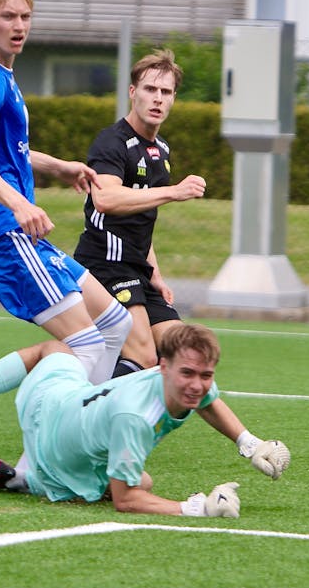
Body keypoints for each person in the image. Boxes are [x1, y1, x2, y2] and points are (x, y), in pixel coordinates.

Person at [0, 323, 291, 517]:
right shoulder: (135, 417)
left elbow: (209, 402)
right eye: (188, 374)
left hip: (62, 403)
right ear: (163, 366)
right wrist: (197, 508)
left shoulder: (181, 382)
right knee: (138, 485)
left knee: (52, 349)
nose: (197, 385)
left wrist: (249, 443)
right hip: (50, 423)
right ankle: (31, 477)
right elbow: (126, 501)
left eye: (206, 375)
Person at [0, 0, 132, 385]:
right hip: (2, 230)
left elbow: (3, 151)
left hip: (15, 229)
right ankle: (50, 433)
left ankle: (82, 428)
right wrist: (19, 203)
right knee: (86, 343)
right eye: (8, 16)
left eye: (25, 16)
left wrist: (57, 166)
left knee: (115, 324)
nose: (19, 26)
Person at [72, 49, 204, 378]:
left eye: (166, 92)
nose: (157, 99)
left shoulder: (162, 151)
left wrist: (155, 274)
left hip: (137, 269)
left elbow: (143, 221)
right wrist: (173, 192)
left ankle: (243, 434)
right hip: (105, 265)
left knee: (182, 354)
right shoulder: (111, 142)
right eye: (150, 89)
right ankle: (86, 411)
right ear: (133, 93)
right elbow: (106, 200)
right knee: (145, 356)